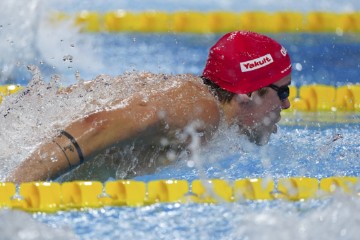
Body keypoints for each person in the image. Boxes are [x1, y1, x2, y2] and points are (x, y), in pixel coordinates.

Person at [6, 30, 292, 183]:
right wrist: (11, 191)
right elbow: (98, 124)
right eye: (282, 92)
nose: (286, 104)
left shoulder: (191, 95)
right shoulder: (203, 111)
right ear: (248, 93)